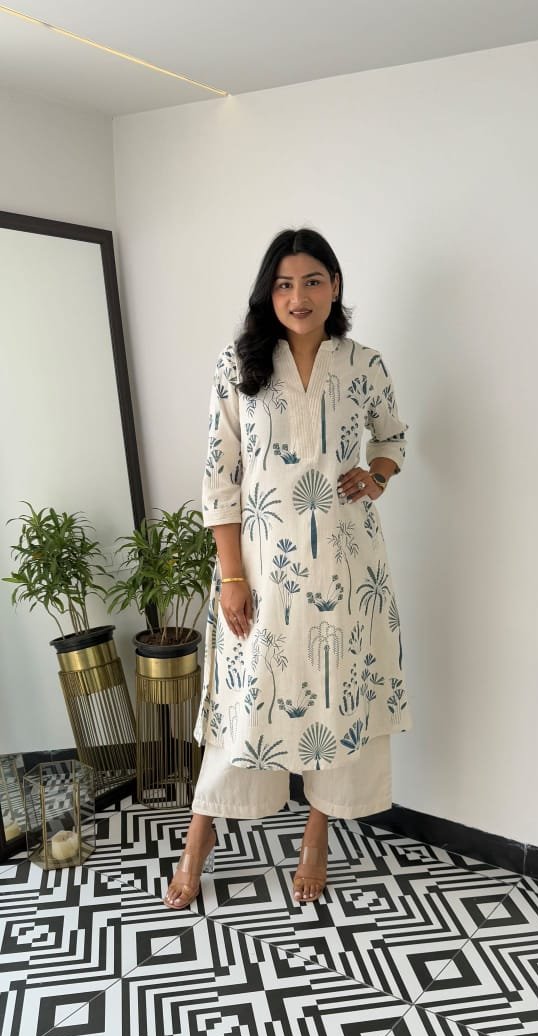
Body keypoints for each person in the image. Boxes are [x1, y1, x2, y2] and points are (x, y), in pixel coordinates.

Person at [164, 227, 412, 909]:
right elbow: (219, 476)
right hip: (261, 568)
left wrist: (376, 474)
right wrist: (232, 577)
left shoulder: (363, 364)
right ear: (267, 293)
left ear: (334, 286)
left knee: (335, 696)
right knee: (243, 702)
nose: (297, 296)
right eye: (283, 284)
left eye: (311, 281)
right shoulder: (239, 364)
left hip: (347, 564)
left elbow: (393, 436)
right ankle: (199, 836)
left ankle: (316, 834)